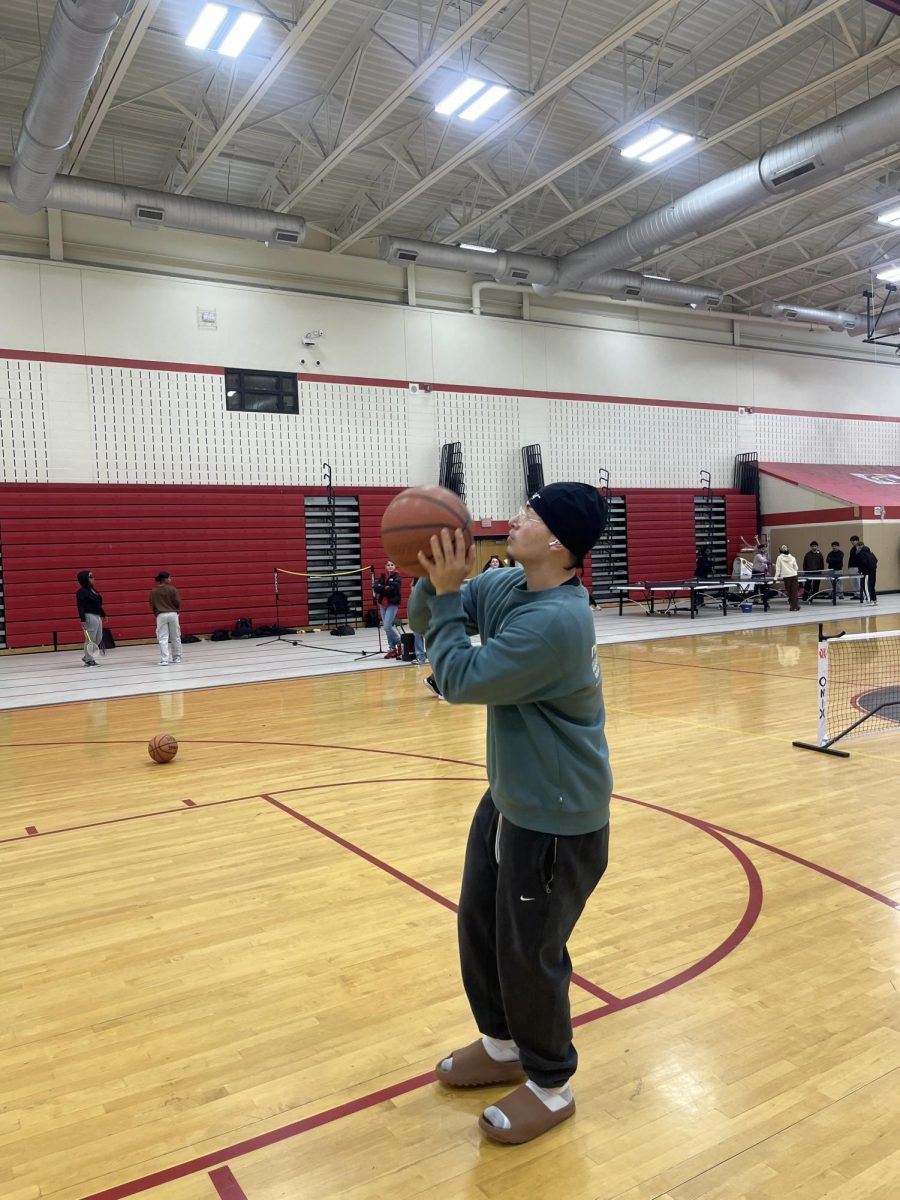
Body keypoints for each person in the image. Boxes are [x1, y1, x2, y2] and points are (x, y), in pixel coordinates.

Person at [409, 482, 611, 1145]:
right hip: (510, 798)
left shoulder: (557, 621)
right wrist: (428, 570)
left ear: (557, 542)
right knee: (481, 929)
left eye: (530, 514)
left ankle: (551, 1085)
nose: (514, 519)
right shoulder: (510, 587)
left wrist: (442, 600)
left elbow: (460, 680)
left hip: (557, 817)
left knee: (531, 956)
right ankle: (500, 1047)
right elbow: (433, 620)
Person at [150, 571, 183, 665]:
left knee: (163, 638)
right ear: (165, 579)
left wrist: (156, 613)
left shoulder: (154, 591)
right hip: (173, 614)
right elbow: (177, 601)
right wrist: (176, 610)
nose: (170, 579)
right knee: (175, 636)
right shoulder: (172, 589)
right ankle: (177, 658)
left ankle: (164, 659)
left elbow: (152, 604)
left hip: (161, 615)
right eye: (169, 577)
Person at [75, 570, 106, 667]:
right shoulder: (81, 592)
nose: (93, 579)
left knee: (98, 638)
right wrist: (82, 619)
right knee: (90, 639)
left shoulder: (94, 591)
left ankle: (87, 656)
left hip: (97, 616)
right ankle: (89, 660)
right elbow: (80, 606)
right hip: (89, 617)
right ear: (85, 579)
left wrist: (103, 614)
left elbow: (98, 605)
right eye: (91, 577)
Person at [374, 559, 402, 658]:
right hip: (382, 603)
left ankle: (400, 642)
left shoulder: (397, 576)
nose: (390, 566)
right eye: (388, 565)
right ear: (385, 566)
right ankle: (392, 648)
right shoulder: (382, 576)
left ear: (395, 567)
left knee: (387, 626)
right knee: (387, 628)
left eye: (392, 565)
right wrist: (385, 587)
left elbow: (394, 589)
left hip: (392, 604)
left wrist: (383, 588)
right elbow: (376, 587)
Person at [774, 544, 800, 611]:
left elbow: (778, 569)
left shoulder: (779, 558)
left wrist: (775, 578)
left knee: (789, 592)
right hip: (794, 575)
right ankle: (795, 606)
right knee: (794, 592)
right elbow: (796, 568)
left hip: (786, 577)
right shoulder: (792, 557)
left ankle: (793, 606)